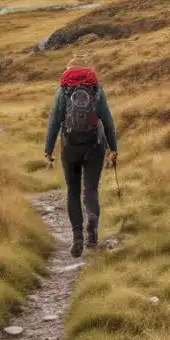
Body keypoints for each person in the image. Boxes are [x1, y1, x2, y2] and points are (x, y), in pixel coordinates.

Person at [44, 58, 118, 257]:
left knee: (73, 191)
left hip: (70, 148)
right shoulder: (96, 90)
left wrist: (48, 149)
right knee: (91, 189)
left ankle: (77, 237)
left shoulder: (63, 91)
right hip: (95, 146)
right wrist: (113, 148)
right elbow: (108, 122)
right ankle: (92, 230)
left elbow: (53, 121)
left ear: (69, 70)